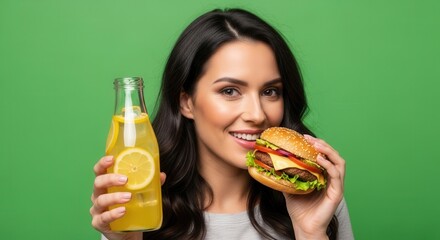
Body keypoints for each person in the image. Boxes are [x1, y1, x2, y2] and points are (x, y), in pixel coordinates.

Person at [90, 8, 354, 240]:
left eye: (270, 91)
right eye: (230, 91)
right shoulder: (139, 206)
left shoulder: (320, 204)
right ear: (187, 102)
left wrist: (310, 233)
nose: (257, 114)